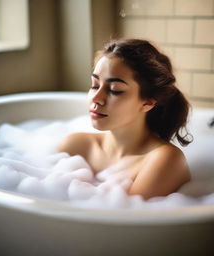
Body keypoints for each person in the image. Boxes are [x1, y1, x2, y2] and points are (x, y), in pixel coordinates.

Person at [58, 38, 192, 200]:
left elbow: (125, 219)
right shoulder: (76, 145)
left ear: (148, 102)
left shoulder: (165, 160)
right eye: (94, 85)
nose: (96, 98)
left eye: (115, 90)